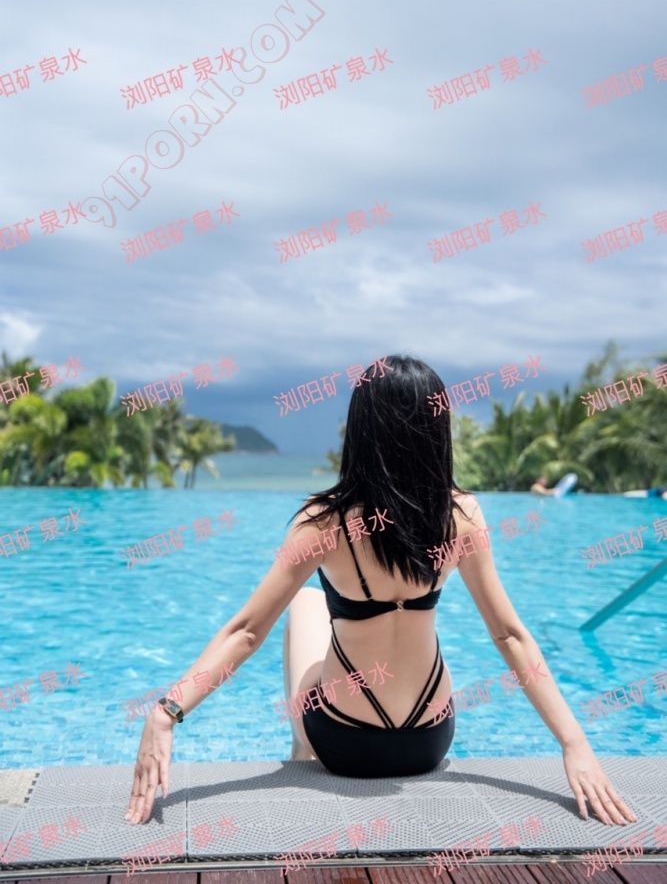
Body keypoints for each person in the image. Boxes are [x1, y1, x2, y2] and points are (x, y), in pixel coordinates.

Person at [126, 355, 636, 831]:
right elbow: (510, 636)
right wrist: (574, 743)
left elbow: (245, 632)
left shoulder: (322, 521)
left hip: (343, 743)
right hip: (429, 740)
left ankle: (300, 753)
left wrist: (166, 711)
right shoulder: (461, 515)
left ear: (362, 428)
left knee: (304, 602)